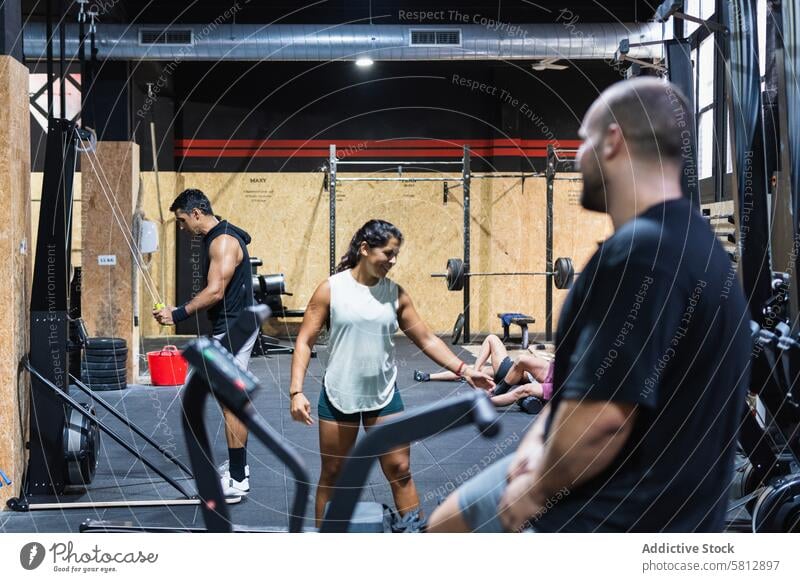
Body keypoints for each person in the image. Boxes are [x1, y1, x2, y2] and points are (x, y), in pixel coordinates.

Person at [428, 77, 752, 533]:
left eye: (583, 142)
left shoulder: (640, 255)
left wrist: (536, 489)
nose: (577, 158)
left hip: (609, 519)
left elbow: (602, 422)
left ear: (614, 140)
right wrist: (533, 449)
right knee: (447, 520)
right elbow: (579, 402)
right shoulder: (696, 247)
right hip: (660, 514)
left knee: (444, 530)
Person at [288, 219, 495, 525]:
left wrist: (464, 369)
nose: (393, 261)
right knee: (333, 474)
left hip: (383, 395)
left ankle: (414, 540)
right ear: (365, 249)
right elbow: (304, 341)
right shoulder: (331, 290)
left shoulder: (396, 294)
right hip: (338, 393)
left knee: (400, 471)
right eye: (388, 253)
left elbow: (426, 338)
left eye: (396, 254)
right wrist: (296, 391)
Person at [153, 189, 258, 497]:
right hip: (234, 326)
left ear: (196, 213)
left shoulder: (222, 242)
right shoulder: (220, 235)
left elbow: (215, 291)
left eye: (182, 220)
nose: (183, 228)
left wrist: (177, 314)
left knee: (232, 404)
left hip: (234, 329)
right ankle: (241, 467)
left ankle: (238, 480)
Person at [413, 334, 554, 408]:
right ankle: (428, 376)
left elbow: (524, 361)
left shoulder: (545, 371)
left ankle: (477, 372)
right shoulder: (547, 370)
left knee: (491, 338)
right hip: (513, 375)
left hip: (507, 373)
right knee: (468, 370)